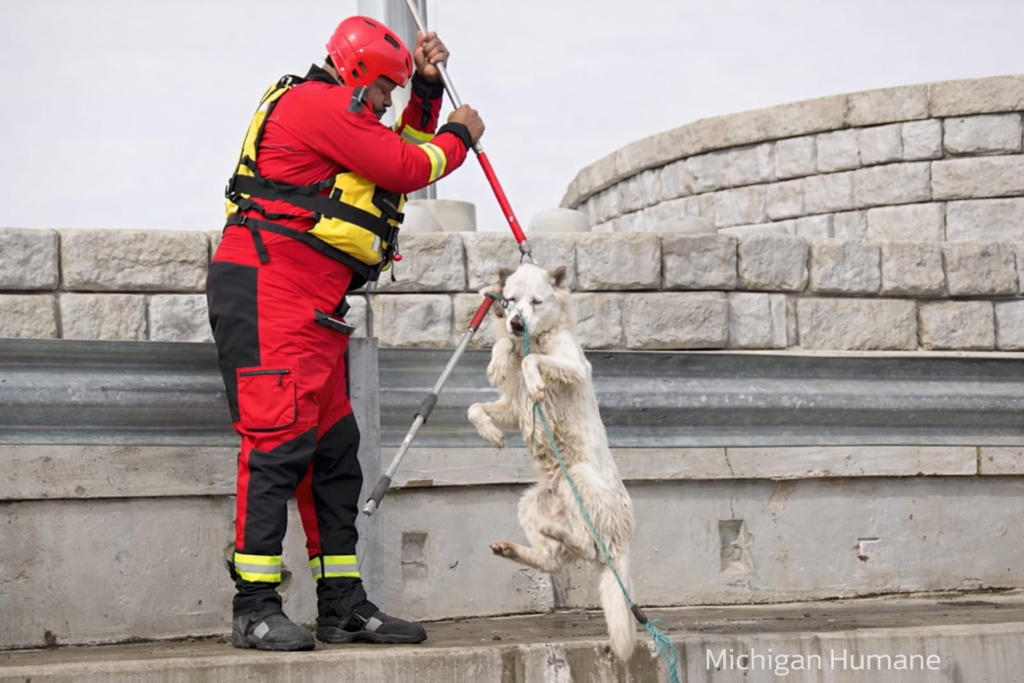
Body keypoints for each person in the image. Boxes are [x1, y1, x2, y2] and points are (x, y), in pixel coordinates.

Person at [206, 15, 485, 652]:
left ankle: (341, 607)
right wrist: (459, 135)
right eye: (388, 89)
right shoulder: (316, 105)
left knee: (334, 454)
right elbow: (408, 164)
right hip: (267, 290)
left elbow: (390, 155)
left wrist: (426, 89)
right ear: (358, 75)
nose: (389, 104)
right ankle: (253, 607)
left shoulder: (342, 114)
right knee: (276, 443)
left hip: (309, 303)